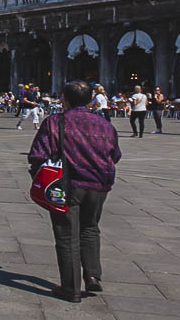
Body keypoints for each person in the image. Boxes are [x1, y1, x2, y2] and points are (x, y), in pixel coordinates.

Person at [27, 80, 122, 303]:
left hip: (66, 185)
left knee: (67, 234)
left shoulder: (54, 122)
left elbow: (38, 155)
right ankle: (92, 275)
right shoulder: (105, 125)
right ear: (91, 100)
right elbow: (115, 154)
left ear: (64, 99)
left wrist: (38, 175)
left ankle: (71, 288)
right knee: (90, 228)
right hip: (99, 185)